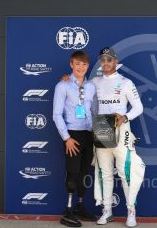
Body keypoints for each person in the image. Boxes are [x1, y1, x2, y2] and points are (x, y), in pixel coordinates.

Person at [93, 47, 145, 228]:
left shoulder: (126, 82)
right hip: (101, 128)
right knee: (105, 173)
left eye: (109, 59)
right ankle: (107, 211)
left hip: (121, 130)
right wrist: (67, 79)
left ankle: (131, 212)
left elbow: (139, 108)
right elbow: (81, 96)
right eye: (103, 60)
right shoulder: (94, 82)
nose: (106, 63)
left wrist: (125, 117)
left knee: (126, 173)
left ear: (116, 62)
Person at [53, 50, 96, 227]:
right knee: (72, 172)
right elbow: (56, 114)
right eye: (77, 64)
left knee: (85, 172)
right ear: (71, 64)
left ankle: (79, 206)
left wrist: (97, 133)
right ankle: (68, 211)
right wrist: (66, 138)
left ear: (88, 66)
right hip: (72, 134)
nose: (81, 67)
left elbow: (94, 111)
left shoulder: (92, 86)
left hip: (89, 134)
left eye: (84, 64)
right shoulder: (62, 85)